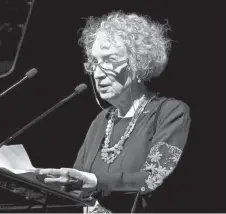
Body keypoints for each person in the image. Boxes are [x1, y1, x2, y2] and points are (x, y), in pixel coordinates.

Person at [35, 11, 191, 213]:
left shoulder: (170, 112)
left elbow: (154, 177)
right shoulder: (101, 120)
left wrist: (94, 181)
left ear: (138, 63)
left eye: (109, 60)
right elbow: (76, 186)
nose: (98, 74)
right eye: (95, 62)